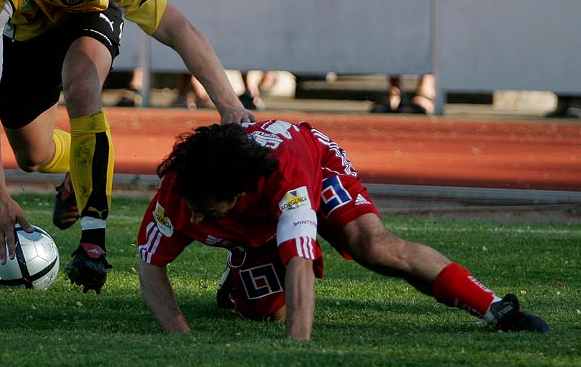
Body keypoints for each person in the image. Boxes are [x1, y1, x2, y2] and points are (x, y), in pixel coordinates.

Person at [0, 0, 255, 294]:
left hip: (88, 16)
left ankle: (93, 243)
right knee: (33, 155)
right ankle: (78, 166)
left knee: (83, 86)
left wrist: (230, 106)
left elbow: (176, 28)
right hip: (26, 38)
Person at [137, 120, 550, 340]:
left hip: (316, 165)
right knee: (266, 311)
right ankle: (241, 264)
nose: (195, 221)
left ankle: (497, 308)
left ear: (241, 192)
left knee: (373, 246)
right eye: (192, 209)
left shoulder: (287, 178)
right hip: (259, 206)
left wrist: (297, 347)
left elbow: (298, 258)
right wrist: (180, 336)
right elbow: (149, 264)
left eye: (208, 212)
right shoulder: (179, 191)